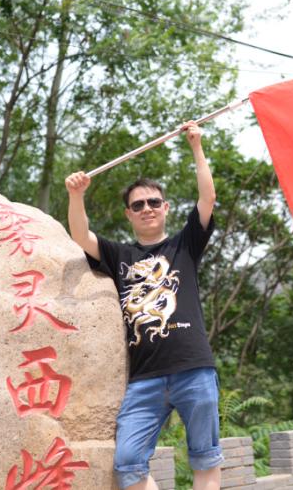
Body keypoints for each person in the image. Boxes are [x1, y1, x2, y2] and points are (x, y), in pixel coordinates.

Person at [65, 120, 222, 490]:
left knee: (205, 456)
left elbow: (207, 199)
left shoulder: (184, 245)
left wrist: (196, 146)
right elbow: (79, 234)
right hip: (144, 378)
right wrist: (76, 195)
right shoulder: (120, 254)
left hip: (193, 368)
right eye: (138, 205)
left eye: (154, 202)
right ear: (129, 214)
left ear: (165, 207)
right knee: (128, 463)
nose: (147, 208)